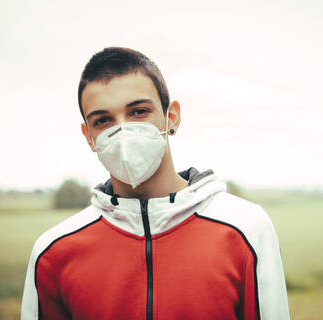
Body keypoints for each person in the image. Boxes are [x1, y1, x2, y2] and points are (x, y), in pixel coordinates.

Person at [21, 47, 291, 320]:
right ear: (89, 136)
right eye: (103, 120)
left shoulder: (246, 230)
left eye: (138, 111)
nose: (123, 132)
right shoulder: (53, 253)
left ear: (171, 116)